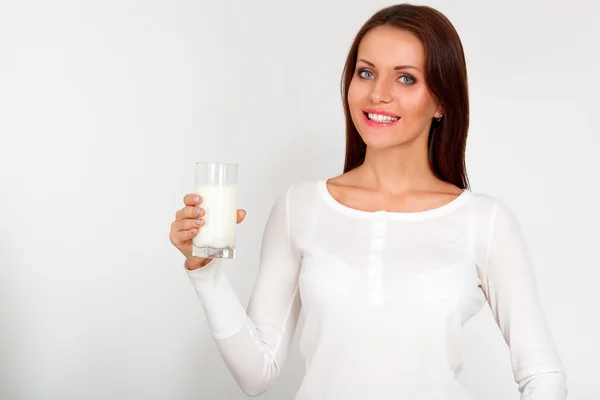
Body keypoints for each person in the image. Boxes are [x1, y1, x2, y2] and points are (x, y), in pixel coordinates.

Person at [168, 4, 567, 399]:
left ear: (442, 101)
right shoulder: (300, 207)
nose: (379, 94)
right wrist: (205, 273)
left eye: (406, 78)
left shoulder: (485, 220)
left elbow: (542, 376)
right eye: (366, 72)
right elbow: (258, 374)